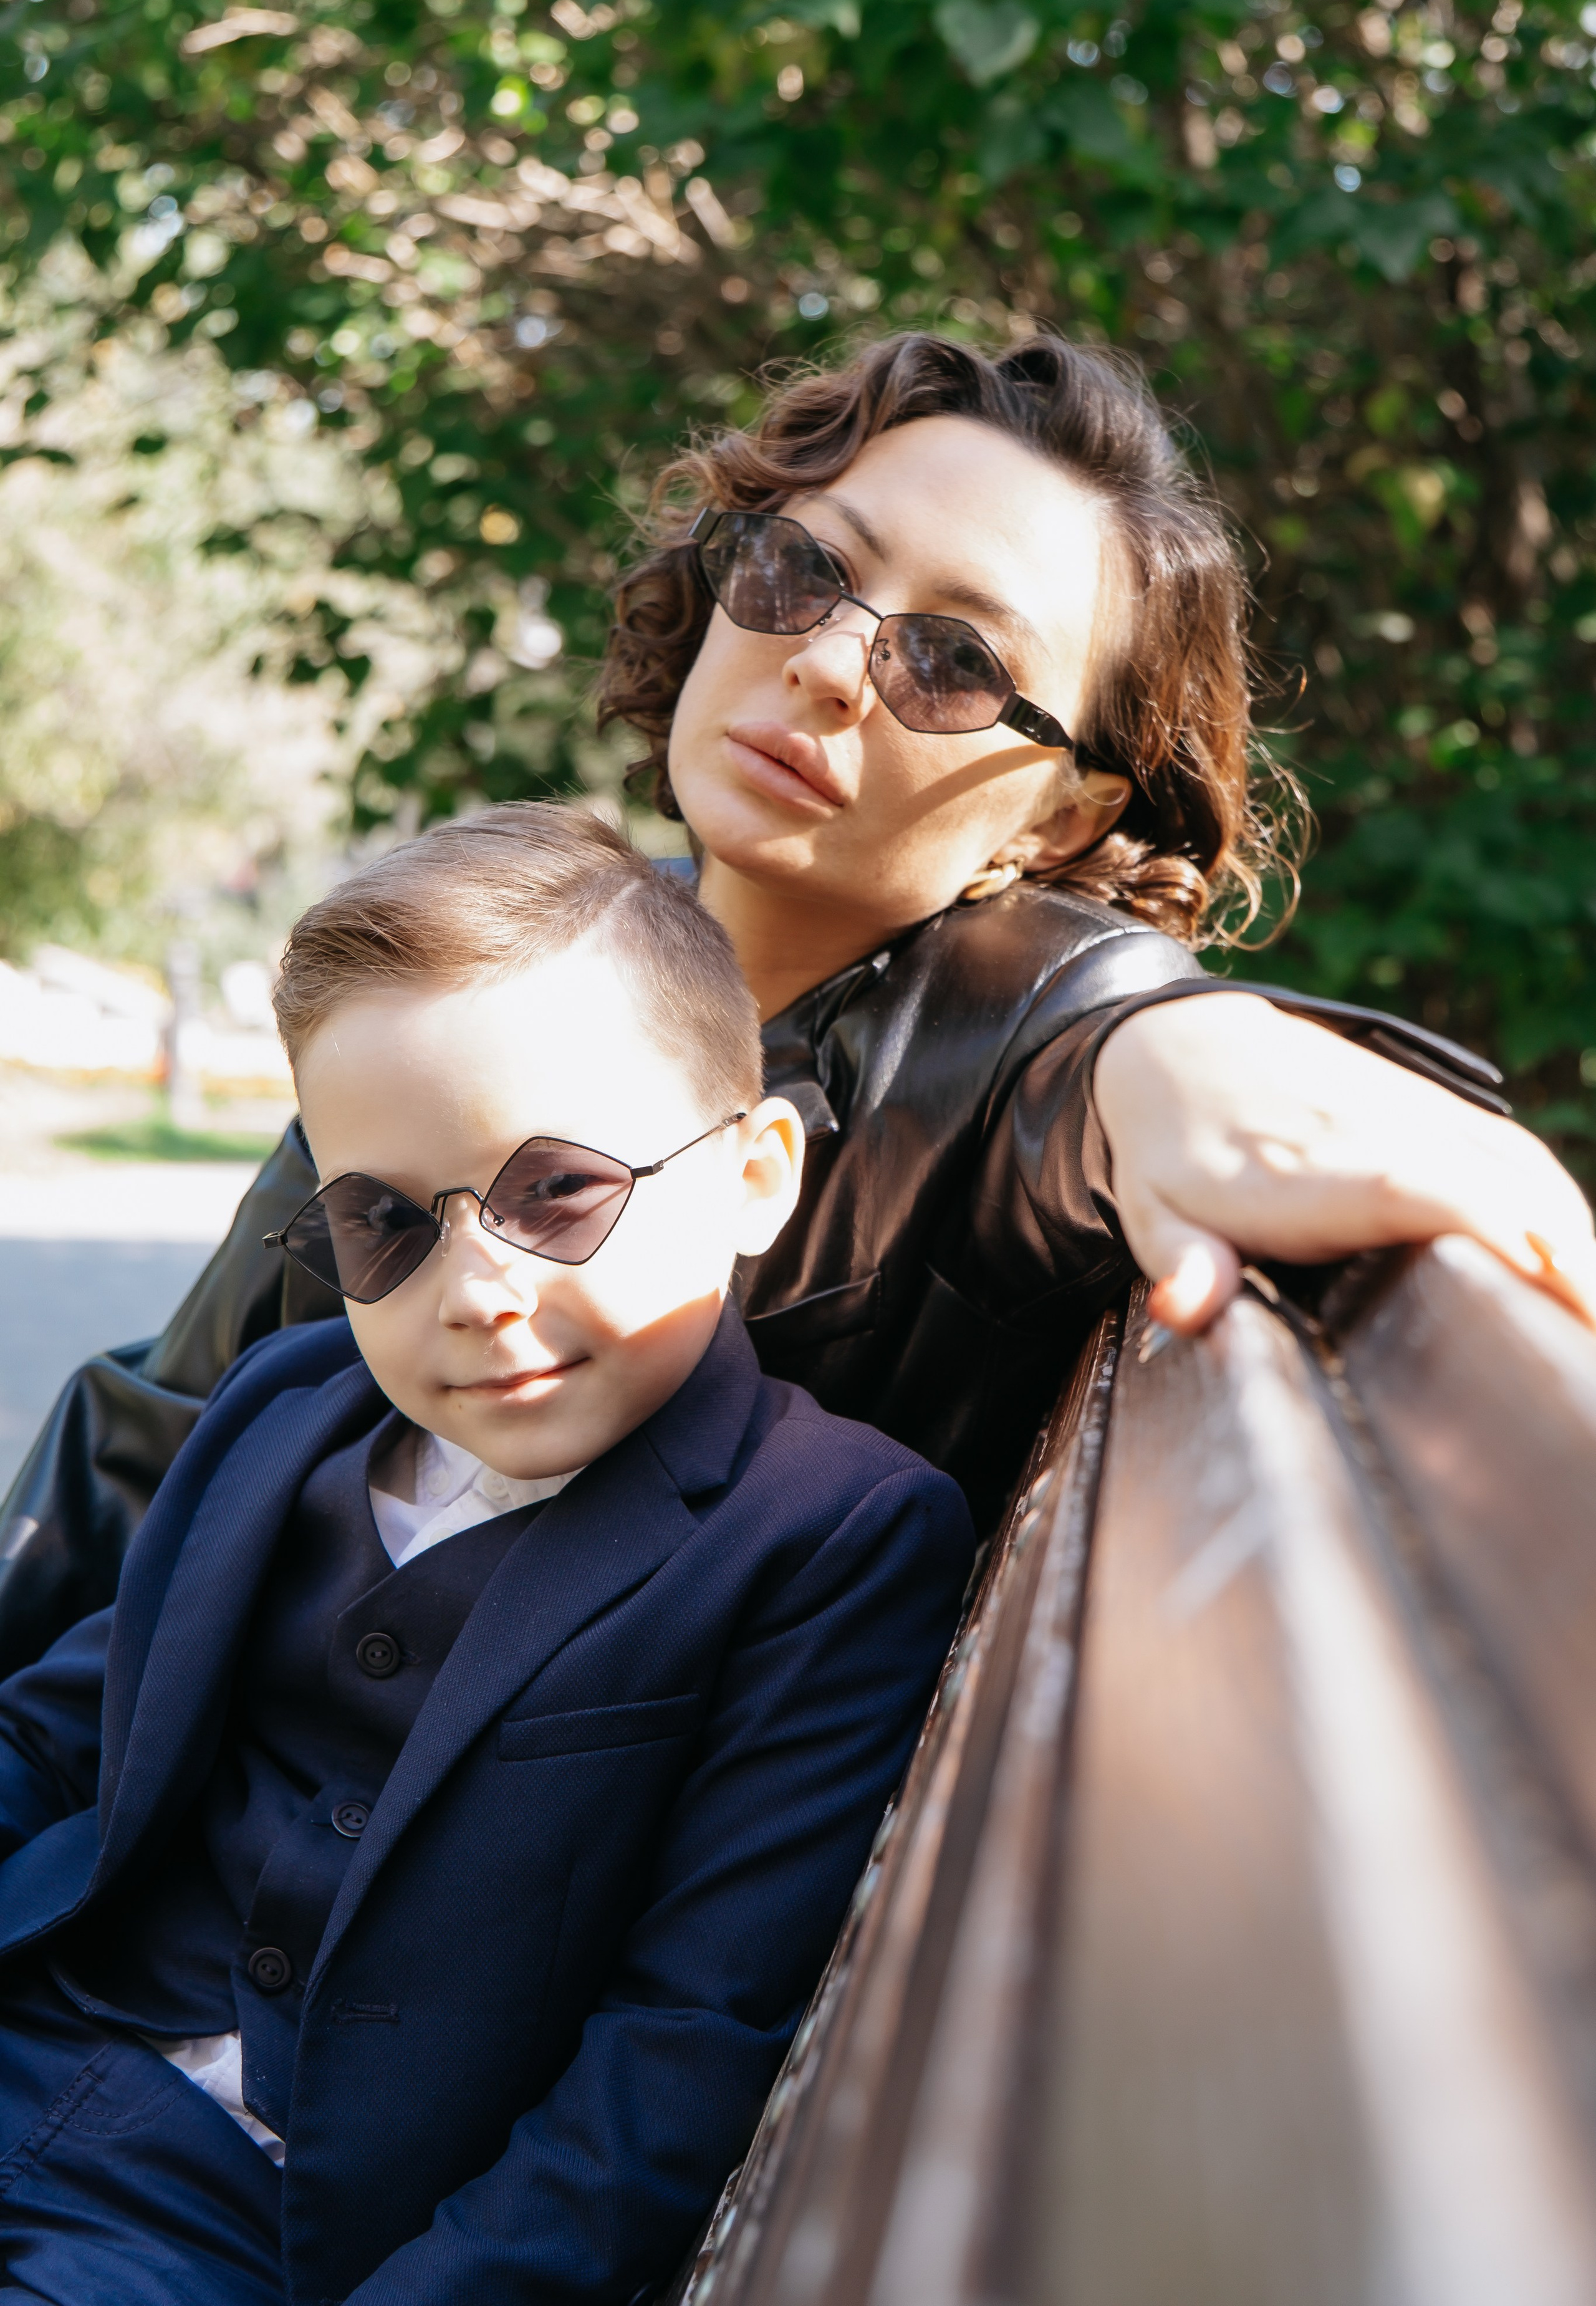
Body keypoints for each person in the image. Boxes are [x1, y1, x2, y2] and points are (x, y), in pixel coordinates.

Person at [4, 330, 1591, 1633]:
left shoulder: (1026, 1037)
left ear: (1066, 810)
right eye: (804, 569)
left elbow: (1096, 1043)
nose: (830, 661)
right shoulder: (499, 978)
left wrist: (1188, 1058)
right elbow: (148, 1459)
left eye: (959, 662)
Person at [0, 808, 971, 2305]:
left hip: (264, 2220)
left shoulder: (828, 1535)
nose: (474, 1292)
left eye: (556, 1189)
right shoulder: (282, 1407)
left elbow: (681, 2043)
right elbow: (67, 1736)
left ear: (755, 1173)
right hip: (47, 2033)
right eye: (384, 1224)